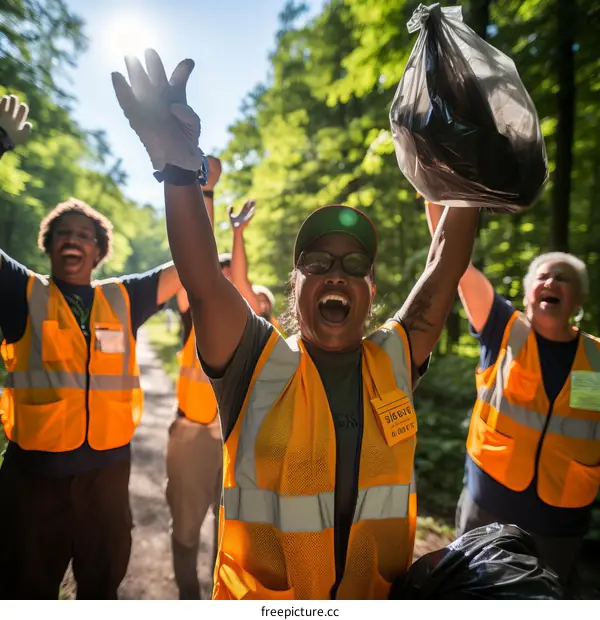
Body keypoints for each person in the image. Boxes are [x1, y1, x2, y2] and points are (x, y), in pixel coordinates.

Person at [112, 49, 480, 600]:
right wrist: (179, 172)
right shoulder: (254, 363)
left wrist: (470, 163)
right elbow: (204, 280)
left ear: (370, 291)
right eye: (318, 263)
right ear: (295, 287)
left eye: (355, 265)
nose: (337, 273)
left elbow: (445, 263)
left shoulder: (396, 358)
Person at [0, 95, 183, 600]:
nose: (72, 240)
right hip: (33, 479)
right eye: (62, 233)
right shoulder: (22, 292)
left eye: (83, 234)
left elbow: (192, 262)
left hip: (106, 476)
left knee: (102, 587)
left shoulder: (125, 297)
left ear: (100, 251)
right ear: (49, 245)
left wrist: (191, 180)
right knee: (20, 591)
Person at [425, 200, 600, 592]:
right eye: (542, 276)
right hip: (487, 510)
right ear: (527, 294)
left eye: (562, 279)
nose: (550, 283)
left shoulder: (598, 358)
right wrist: (435, 193)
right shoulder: (502, 328)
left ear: (578, 301)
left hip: (561, 525)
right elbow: (455, 261)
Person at [166, 158, 224, 600]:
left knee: (231, 532)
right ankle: (189, 599)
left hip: (231, 444)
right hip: (189, 436)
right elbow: (195, 257)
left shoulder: (247, 328)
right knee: (185, 529)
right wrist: (205, 194)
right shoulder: (193, 318)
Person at [228, 199, 284, 333]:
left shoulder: (270, 326)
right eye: (255, 297)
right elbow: (240, 281)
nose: (261, 304)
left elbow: (240, 281)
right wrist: (238, 233)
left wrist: (238, 232)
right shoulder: (245, 319)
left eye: (265, 300)